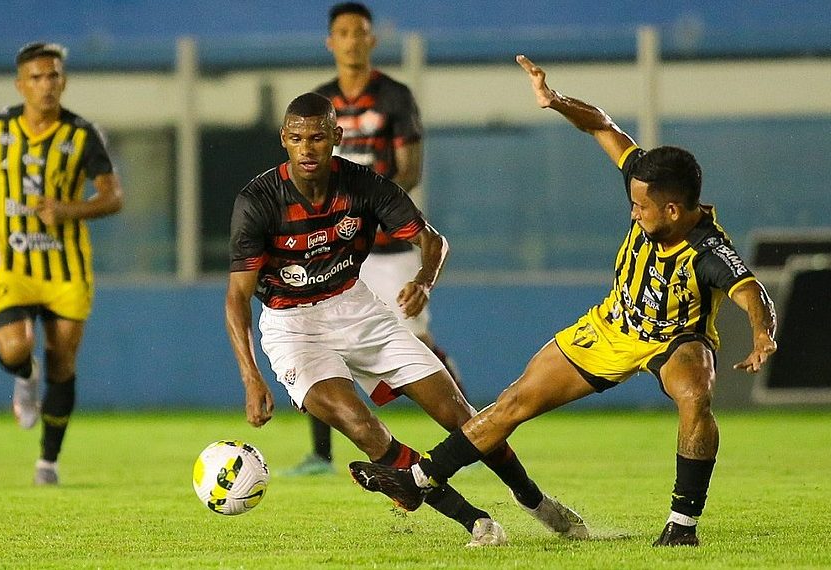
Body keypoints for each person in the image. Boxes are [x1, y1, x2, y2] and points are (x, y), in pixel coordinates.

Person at [350, 55, 778, 548]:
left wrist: (763, 331)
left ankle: (682, 526)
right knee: (513, 402)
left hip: (674, 337)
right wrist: (555, 102)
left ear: (674, 209)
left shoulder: (707, 249)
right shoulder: (647, 177)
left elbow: (749, 289)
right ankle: (419, 480)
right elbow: (602, 124)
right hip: (613, 325)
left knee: (696, 394)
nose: (633, 212)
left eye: (641, 207)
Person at [226, 92, 590, 546]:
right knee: (361, 426)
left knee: (459, 414)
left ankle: (534, 500)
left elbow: (433, 240)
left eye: (317, 138)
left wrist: (423, 281)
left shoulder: (364, 185)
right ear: (284, 139)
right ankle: (474, 520)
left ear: (336, 137)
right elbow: (237, 299)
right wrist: (251, 377)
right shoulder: (258, 201)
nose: (307, 148)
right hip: (291, 325)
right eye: (297, 138)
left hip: (356, 307)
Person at [285, 1, 464, 478]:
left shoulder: (394, 97)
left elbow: (411, 170)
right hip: (333, 246)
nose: (351, 40)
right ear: (331, 42)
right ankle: (321, 456)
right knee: (321, 335)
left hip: (387, 247)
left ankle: (468, 433)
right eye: (342, 33)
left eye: (359, 32)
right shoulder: (319, 103)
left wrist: (374, 209)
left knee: (410, 338)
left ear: (372, 40)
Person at [0, 42, 123, 485]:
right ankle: (25, 377)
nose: (46, 85)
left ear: (63, 81)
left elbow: (112, 197)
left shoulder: (83, 135)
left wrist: (68, 209)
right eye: (37, 77)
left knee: (62, 364)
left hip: (67, 272)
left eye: (53, 76)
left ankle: (48, 462)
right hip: (14, 266)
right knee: (14, 347)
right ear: (20, 84)